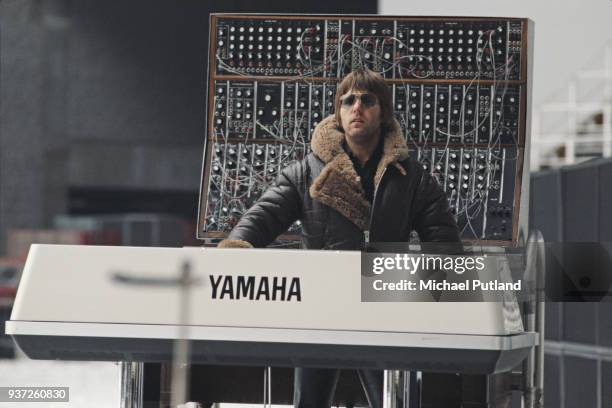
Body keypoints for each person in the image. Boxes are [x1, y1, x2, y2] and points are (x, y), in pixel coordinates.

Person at [218, 68, 461, 408]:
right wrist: (234, 254)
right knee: (310, 402)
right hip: (320, 307)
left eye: (367, 100)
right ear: (338, 113)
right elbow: (261, 218)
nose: (356, 107)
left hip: (384, 307)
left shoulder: (412, 177)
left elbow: (445, 246)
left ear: (384, 112)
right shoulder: (305, 172)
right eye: (347, 101)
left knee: (392, 403)